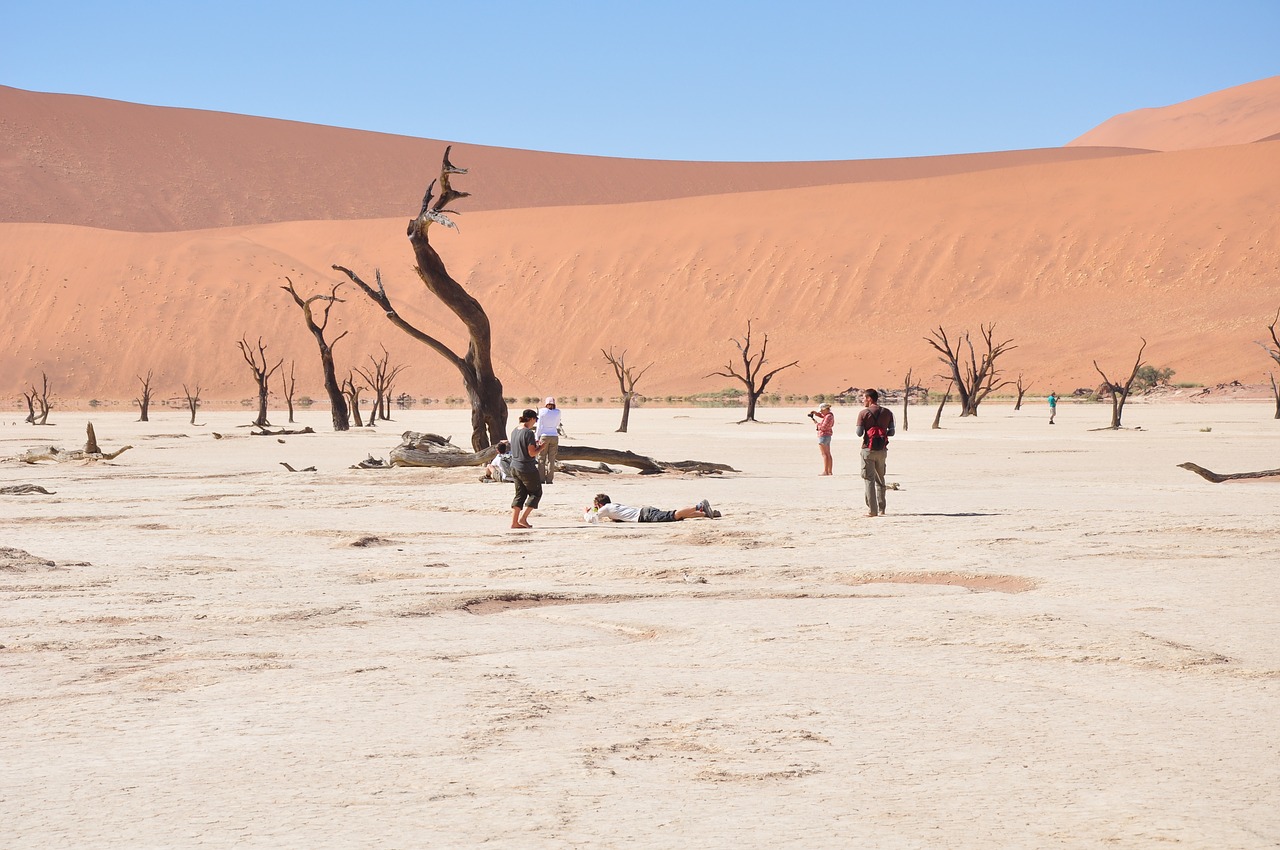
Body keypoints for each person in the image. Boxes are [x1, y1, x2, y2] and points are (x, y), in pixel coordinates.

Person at [855, 388, 895, 518]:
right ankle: (882, 508)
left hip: (868, 449)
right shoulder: (888, 412)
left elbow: (859, 433)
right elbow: (892, 432)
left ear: (869, 399)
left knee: (869, 479)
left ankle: (872, 510)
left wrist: (870, 431)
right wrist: (881, 433)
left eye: (863, 398)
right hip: (882, 450)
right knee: (880, 478)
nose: (862, 400)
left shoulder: (863, 413)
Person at [584, 493, 720, 524]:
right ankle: (705, 514)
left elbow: (592, 519)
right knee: (677, 516)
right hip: (644, 512)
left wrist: (588, 512)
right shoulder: (613, 506)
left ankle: (699, 506)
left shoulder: (605, 508)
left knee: (674, 515)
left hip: (644, 516)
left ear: (599, 505)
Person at [509, 409, 543, 529]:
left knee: (520, 495)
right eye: (535, 420)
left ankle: (514, 522)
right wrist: (541, 447)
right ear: (532, 419)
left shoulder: (514, 431)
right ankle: (523, 519)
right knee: (536, 493)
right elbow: (532, 453)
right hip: (526, 468)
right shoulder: (528, 433)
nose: (535, 423)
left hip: (514, 466)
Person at [535, 397, 562, 483]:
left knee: (541, 458)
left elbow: (539, 425)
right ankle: (549, 480)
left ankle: (541, 479)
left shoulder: (542, 411)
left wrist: (536, 437)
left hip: (544, 436)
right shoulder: (558, 412)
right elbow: (557, 424)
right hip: (554, 436)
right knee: (551, 459)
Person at [807, 402, 835, 475]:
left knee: (824, 454)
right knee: (828, 454)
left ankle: (825, 471)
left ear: (825, 409)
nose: (821, 412)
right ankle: (829, 471)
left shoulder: (828, 416)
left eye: (822, 410)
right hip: (828, 435)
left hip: (823, 435)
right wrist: (816, 414)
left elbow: (823, 427)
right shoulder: (830, 415)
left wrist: (816, 424)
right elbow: (823, 416)